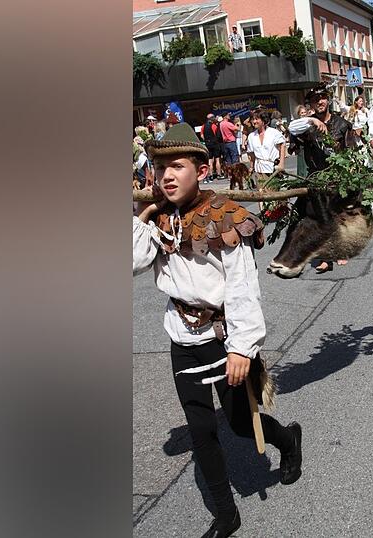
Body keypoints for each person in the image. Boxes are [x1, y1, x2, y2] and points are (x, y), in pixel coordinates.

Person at [132, 123, 303, 538]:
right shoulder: (160, 217)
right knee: (201, 431)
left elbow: (243, 288)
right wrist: (143, 215)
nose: (167, 176)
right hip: (182, 338)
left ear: (202, 170)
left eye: (177, 166)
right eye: (160, 168)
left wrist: (243, 348)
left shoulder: (225, 217)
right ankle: (227, 514)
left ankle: (288, 439)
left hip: (223, 339)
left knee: (242, 423)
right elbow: (133, 261)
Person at [288, 84, 354, 272]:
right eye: (315, 100)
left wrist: (351, 171)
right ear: (310, 104)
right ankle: (326, 257)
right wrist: (312, 121)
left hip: (338, 176)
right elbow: (291, 129)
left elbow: (351, 150)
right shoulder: (306, 126)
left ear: (328, 99)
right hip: (316, 176)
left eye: (323, 98)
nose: (320, 102)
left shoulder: (342, 124)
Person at [246, 110, 286, 190]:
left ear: (263, 120)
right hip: (259, 169)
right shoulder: (251, 136)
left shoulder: (273, 133)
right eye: (253, 119)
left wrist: (281, 163)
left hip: (272, 169)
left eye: (257, 119)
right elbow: (251, 154)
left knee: (273, 193)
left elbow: (282, 146)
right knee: (261, 193)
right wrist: (251, 167)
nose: (254, 121)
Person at [201, 114, 224, 183]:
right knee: (217, 159)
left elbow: (202, 135)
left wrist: (206, 140)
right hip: (215, 144)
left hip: (208, 144)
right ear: (211, 119)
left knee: (210, 160)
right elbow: (217, 135)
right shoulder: (214, 126)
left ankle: (210, 175)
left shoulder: (203, 126)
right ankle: (219, 174)